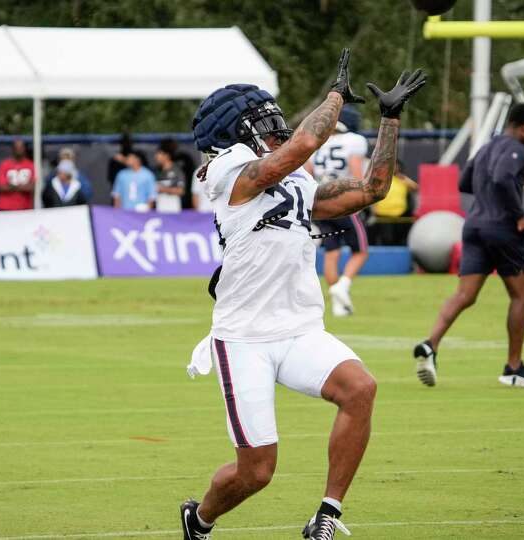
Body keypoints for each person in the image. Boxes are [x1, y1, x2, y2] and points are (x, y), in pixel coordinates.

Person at [181, 49, 425, 540]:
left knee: (361, 389)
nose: (274, 124)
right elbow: (303, 143)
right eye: (261, 119)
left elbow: (374, 188)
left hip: (298, 329)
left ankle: (326, 516)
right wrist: (335, 95)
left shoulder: (293, 178)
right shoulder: (230, 173)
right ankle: (200, 519)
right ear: (236, 132)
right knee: (256, 473)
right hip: (244, 336)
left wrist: (390, 119)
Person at [413, 103, 524, 389]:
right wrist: (519, 215)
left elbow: (464, 182)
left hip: (473, 226)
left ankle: (430, 344)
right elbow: (501, 178)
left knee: (465, 295)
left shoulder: (486, 147)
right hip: (503, 230)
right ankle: (514, 368)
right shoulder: (516, 149)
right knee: (521, 297)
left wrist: (488, 197)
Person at [306, 104, 371, 317]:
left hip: (320, 202)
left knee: (332, 252)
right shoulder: (354, 141)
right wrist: (363, 200)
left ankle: (338, 305)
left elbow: (307, 173)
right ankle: (342, 285)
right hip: (343, 201)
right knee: (360, 251)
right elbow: (355, 173)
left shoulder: (318, 142)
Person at [0, 139, 35, 210]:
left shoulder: (30, 165)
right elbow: (2, 187)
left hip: (24, 207)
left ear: (25, 149)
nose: (19, 150)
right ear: (12, 149)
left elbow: (31, 187)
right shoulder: (4, 165)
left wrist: (11, 186)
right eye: (16, 148)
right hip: (5, 207)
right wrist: (22, 187)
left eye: (21, 147)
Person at [154, 139, 185, 213]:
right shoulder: (157, 171)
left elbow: (181, 191)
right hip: (160, 209)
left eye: (159, 154)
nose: (156, 157)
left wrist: (163, 189)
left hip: (173, 209)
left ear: (166, 155)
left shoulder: (177, 170)